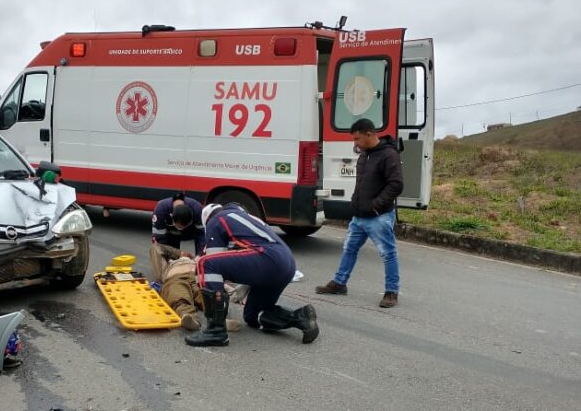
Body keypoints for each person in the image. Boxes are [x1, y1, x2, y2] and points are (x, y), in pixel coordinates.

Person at [186, 202, 318, 347]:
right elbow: (247, 256)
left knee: (205, 264)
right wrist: (246, 283)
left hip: (268, 257)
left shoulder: (216, 221)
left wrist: (215, 296)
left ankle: (215, 331)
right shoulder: (243, 219)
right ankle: (301, 317)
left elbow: (214, 262)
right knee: (253, 316)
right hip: (286, 262)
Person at [315, 118, 404, 308]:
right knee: (349, 249)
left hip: (378, 216)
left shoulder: (389, 155)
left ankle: (391, 292)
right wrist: (356, 205)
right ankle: (339, 283)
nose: (354, 143)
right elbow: (361, 183)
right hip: (359, 216)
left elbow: (396, 184)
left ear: (369, 134)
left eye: (357, 139)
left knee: (388, 254)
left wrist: (376, 206)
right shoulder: (365, 154)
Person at [149, 244, 242, 332]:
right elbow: (156, 248)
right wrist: (179, 253)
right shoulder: (168, 264)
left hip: (199, 276)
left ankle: (221, 319)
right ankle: (189, 317)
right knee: (178, 296)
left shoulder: (199, 260)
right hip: (176, 277)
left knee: (209, 294)